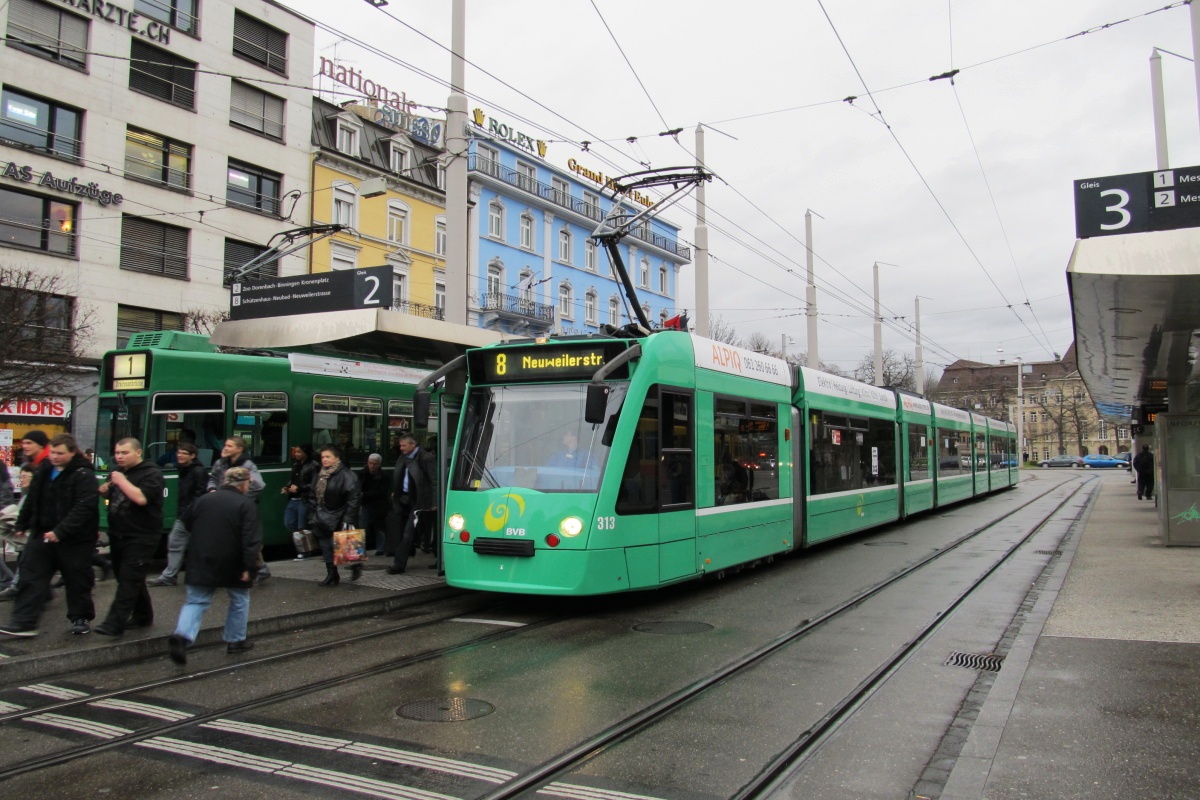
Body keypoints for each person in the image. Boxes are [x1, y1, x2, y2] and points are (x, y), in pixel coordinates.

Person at [0, 434, 98, 637]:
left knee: (76, 578)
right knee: (31, 575)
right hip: (42, 532)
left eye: (60, 453)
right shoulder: (45, 469)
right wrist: (23, 522)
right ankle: (24, 621)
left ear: (72, 452)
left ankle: (80, 618)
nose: (55, 457)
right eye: (52, 452)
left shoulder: (83, 474)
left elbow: (84, 507)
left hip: (74, 538)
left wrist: (61, 531)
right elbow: (33, 496)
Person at [167, 467, 261, 665]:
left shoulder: (203, 500)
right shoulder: (246, 504)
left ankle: (183, 636)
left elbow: (185, 524)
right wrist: (249, 567)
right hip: (233, 560)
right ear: (244, 483)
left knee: (196, 601)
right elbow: (251, 539)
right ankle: (235, 641)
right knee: (239, 599)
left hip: (201, 558)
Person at [95, 438, 164, 636]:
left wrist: (121, 482)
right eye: (117, 453)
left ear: (138, 452)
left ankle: (113, 623)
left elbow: (141, 498)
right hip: (118, 534)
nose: (119, 457)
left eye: (124, 453)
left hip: (142, 535)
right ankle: (143, 615)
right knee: (131, 578)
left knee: (129, 579)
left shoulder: (152, 474)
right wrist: (105, 492)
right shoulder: (118, 473)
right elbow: (115, 499)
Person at [207, 437, 269, 584]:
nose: (226, 448)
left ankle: (260, 569)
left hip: (241, 507)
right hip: (223, 506)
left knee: (245, 539)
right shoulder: (220, 463)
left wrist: (244, 491)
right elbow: (212, 479)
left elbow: (260, 485)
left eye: (230, 446)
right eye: (225, 445)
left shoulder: (248, 465)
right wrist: (212, 489)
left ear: (239, 449)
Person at [147, 443, 209, 587]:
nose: (179, 456)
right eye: (178, 453)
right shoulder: (184, 470)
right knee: (175, 542)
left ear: (192, 456)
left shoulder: (198, 471)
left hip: (193, 516)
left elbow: (200, 495)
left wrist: (188, 513)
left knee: (199, 548)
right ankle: (169, 576)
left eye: (183, 453)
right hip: (185, 516)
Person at [309, 445, 361, 586]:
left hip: (341, 514)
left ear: (337, 458)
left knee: (347, 546)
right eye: (322, 457)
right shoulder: (320, 474)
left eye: (328, 457)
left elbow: (353, 499)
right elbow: (312, 493)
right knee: (326, 545)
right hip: (323, 515)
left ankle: (356, 566)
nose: (324, 460)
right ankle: (332, 573)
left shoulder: (347, 475)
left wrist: (349, 518)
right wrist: (313, 510)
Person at [387, 434, 437, 575]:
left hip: (419, 500)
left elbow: (434, 480)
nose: (401, 448)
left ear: (412, 445)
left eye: (403, 445)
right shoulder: (403, 457)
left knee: (410, 532)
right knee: (419, 531)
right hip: (404, 499)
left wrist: (434, 501)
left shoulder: (425, 458)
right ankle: (439, 557)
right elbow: (400, 476)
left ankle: (399, 564)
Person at [0, 465, 36, 600]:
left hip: (33, 537)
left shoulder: (33, 496)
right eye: (21, 476)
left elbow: (5, 491)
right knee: (24, 560)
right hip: (25, 537)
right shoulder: (27, 495)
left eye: (25, 476)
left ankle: (12, 585)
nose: (21, 480)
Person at [283, 444, 318, 559]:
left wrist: (299, 488)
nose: (296, 454)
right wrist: (287, 487)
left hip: (305, 498)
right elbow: (293, 479)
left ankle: (304, 551)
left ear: (305, 453)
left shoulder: (313, 465)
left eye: (299, 452)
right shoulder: (296, 465)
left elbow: (314, 484)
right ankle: (303, 545)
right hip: (294, 498)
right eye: (296, 452)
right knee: (289, 522)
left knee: (302, 525)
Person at [359, 453, 390, 556]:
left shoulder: (383, 476)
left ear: (379, 465)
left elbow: (382, 492)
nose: (372, 466)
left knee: (379, 526)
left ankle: (380, 549)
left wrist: (364, 494)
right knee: (362, 527)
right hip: (366, 504)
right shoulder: (363, 474)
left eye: (374, 464)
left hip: (378, 505)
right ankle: (360, 550)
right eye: (370, 463)